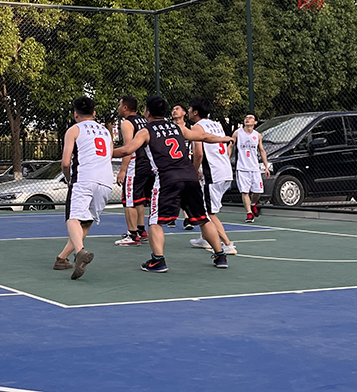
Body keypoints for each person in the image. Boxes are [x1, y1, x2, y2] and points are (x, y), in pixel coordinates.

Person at [112, 96, 233, 272]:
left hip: (167, 179)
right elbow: (204, 136)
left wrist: (103, 153)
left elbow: (127, 150)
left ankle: (158, 261)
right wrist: (222, 139)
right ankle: (220, 255)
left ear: (147, 112)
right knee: (203, 218)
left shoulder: (145, 131)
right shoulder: (178, 128)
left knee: (155, 221)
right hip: (190, 177)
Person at [53, 96, 114, 280]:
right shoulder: (106, 132)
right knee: (86, 222)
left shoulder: (74, 130)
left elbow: (65, 162)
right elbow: (109, 155)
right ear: (94, 113)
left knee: (73, 218)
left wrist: (68, 179)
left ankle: (79, 252)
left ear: (75, 114)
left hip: (84, 179)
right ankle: (62, 258)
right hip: (106, 181)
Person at [187, 97, 237, 255]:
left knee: (208, 212)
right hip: (225, 170)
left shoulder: (197, 127)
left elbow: (199, 153)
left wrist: (193, 171)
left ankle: (227, 244)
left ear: (195, 112)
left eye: (190, 109)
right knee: (205, 206)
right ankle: (204, 238)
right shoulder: (216, 125)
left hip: (213, 173)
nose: (188, 111)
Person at [114, 96, 152, 246]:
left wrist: (123, 170)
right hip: (148, 164)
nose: (118, 107)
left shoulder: (127, 123)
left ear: (125, 107)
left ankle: (132, 235)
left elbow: (128, 148)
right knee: (139, 199)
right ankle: (141, 231)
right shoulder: (144, 121)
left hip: (135, 165)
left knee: (129, 201)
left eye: (119, 104)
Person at [231, 114, 270, 223]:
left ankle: (253, 204)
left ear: (255, 122)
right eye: (246, 118)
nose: (247, 119)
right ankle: (249, 213)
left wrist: (266, 167)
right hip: (242, 167)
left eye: (250, 118)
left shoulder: (257, 135)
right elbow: (230, 146)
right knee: (245, 192)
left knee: (257, 191)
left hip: (255, 168)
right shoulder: (237, 133)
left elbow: (262, 151)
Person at [170, 103, 194, 230]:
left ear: (184, 113)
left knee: (186, 190)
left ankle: (187, 218)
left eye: (177, 109)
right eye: (173, 109)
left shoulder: (190, 128)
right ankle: (172, 216)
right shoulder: (168, 127)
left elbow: (195, 147)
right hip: (170, 164)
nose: (174, 111)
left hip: (185, 163)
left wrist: (196, 166)